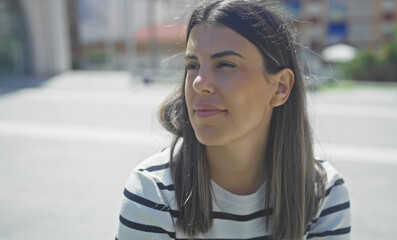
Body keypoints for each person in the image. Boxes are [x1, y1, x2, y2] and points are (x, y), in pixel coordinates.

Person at [115, 0, 351, 239]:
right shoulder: (153, 192)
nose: (199, 82)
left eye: (226, 64)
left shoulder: (322, 191)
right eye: (192, 65)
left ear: (280, 87)